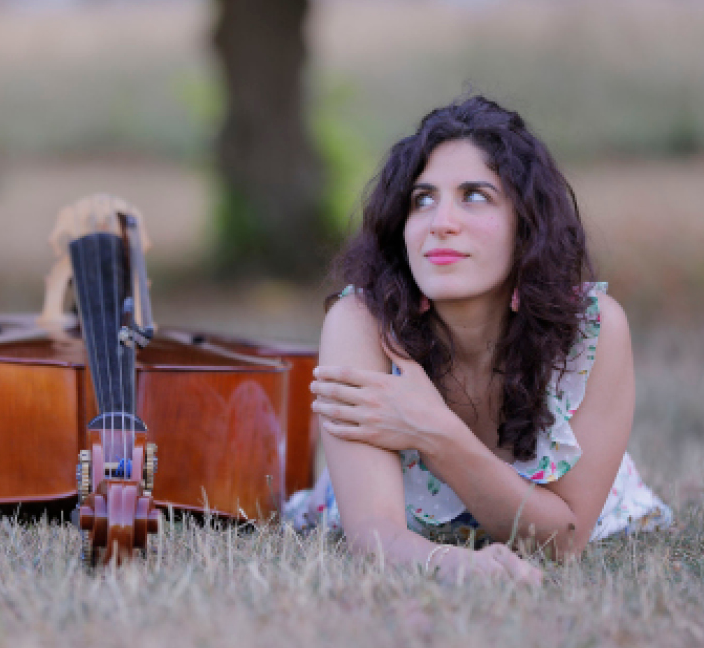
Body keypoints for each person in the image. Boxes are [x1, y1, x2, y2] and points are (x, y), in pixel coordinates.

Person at [283, 96, 672, 584]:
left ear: (525, 226)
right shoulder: (361, 321)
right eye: (422, 199)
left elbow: (564, 540)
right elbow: (373, 531)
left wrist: (433, 431)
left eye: (475, 195)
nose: (440, 222)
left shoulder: (592, 329)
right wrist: (460, 566)